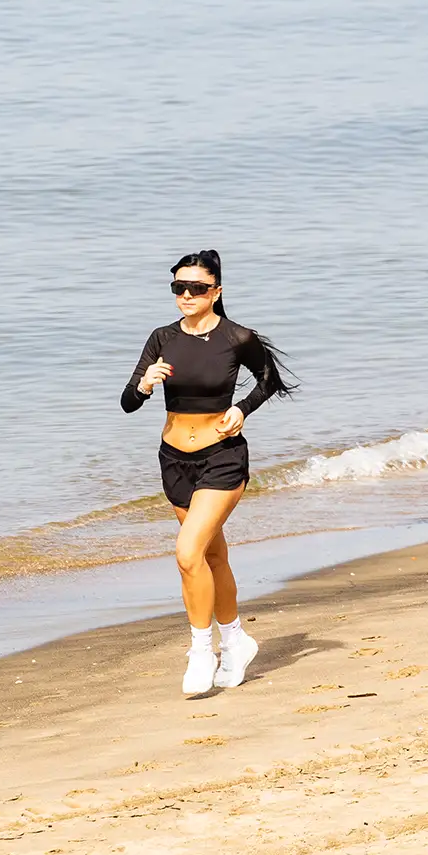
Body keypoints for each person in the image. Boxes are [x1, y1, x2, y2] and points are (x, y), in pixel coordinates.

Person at [121, 249, 294, 696]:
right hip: (174, 461)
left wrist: (242, 408)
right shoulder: (161, 337)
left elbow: (270, 380)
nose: (186, 295)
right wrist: (143, 384)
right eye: (179, 287)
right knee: (211, 557)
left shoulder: (237, 338)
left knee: (186, 553)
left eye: (196, 288)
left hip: (222, 457)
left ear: (216, 291)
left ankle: (202, 650)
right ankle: (236, 641)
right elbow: (127, 401)